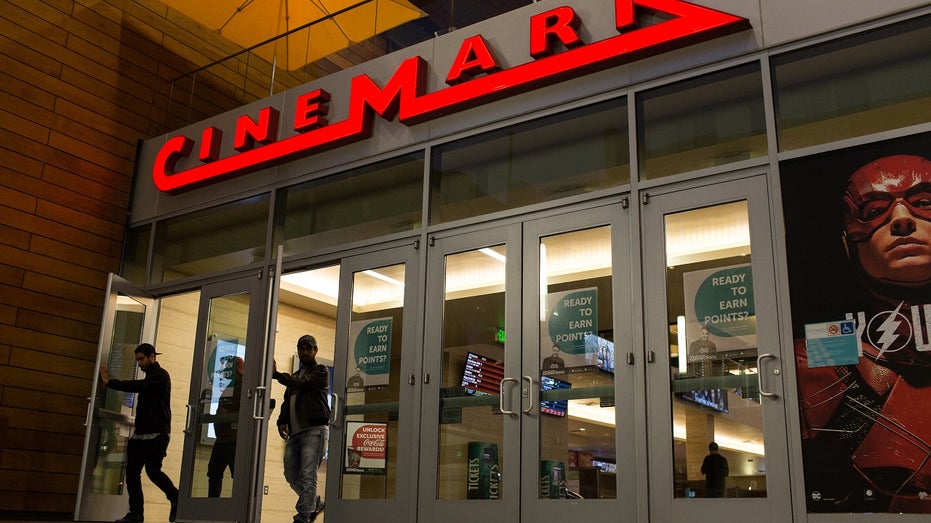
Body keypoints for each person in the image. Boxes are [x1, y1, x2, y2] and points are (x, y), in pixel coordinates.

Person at [796, 154, 931, 512]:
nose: (902, 220)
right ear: (848, 243)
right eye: (874, 212)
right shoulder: (824, 350)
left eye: (923, 204)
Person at [99, 343, 179, 523]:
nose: (140, 363)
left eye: (142, 359)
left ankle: (176, 497)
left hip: (157, 434)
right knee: (132, 473)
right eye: (137, 360)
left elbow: (137, 386)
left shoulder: (160, 376)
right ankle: (136, 514)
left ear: (152, 357)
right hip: (140, 433)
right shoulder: (151, 376)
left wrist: (110, 382)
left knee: (153, 471)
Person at [273, 334, 331, 523]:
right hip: (296, 433)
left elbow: (302, 384)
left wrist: (276, 375)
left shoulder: (320, 371)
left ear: (315, 351)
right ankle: (316, 502)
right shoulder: (296, 376)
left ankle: (303, 516)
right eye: (301, 348)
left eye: (308, 348)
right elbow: (286, 401)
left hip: (314, 430)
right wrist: (281, 421)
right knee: (290, 474)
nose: (304, 351)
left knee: (307, 474)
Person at [207, 356, 244, 497]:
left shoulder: (243, 388)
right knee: (214, 473)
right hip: (223, 437)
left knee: (232, 475)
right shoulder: (227, 387)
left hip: (233, 438)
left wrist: (228, 413)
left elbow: (245, 412)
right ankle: (212, 508)